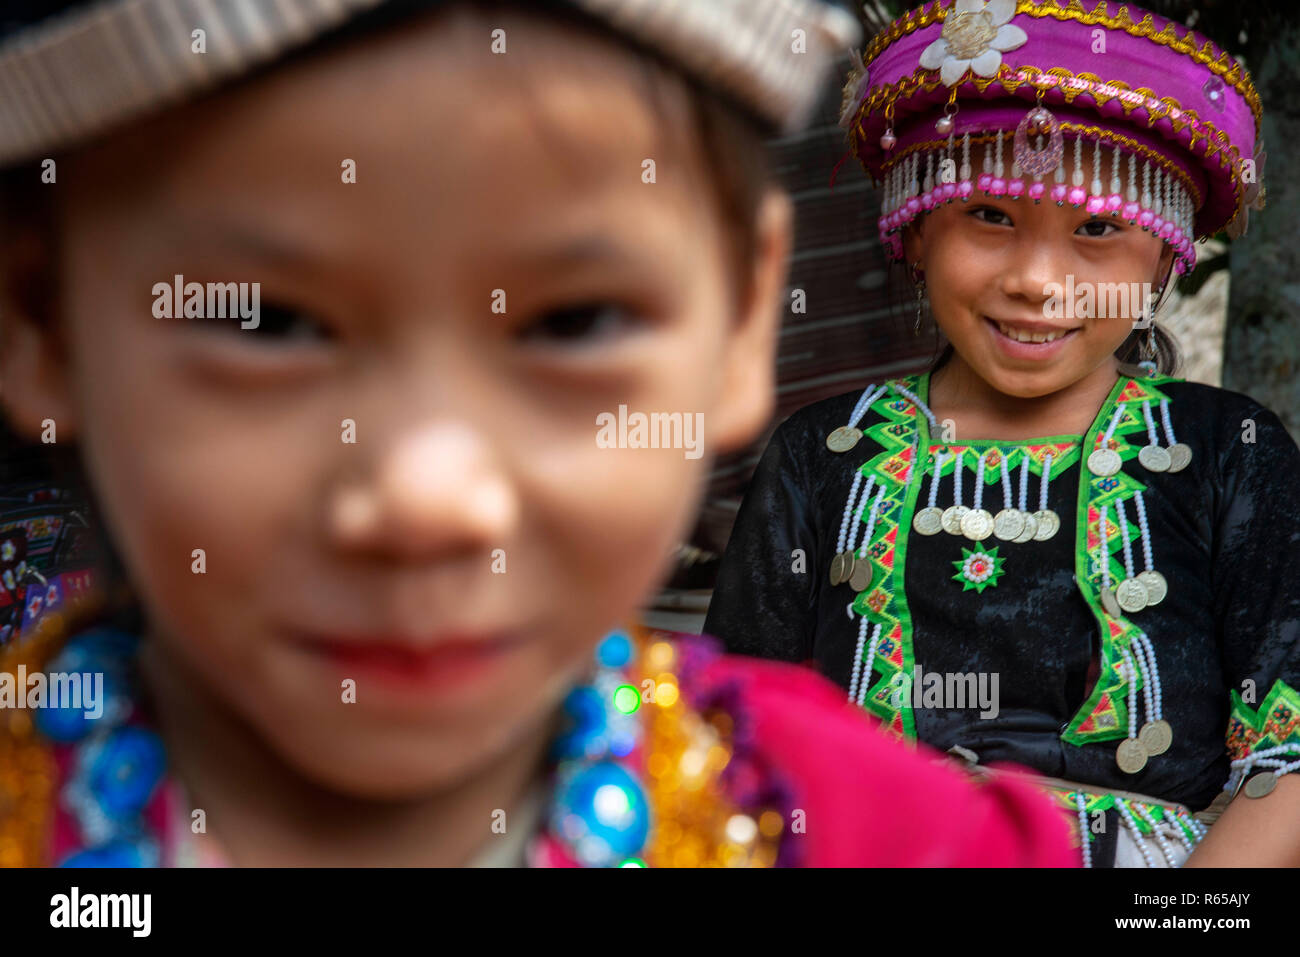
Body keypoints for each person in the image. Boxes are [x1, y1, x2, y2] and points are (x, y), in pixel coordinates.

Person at [0, 0, 1075, 867]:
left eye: (575, 323)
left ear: (743, 323)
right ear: (42, 326)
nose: (428, 496)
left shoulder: (898, 840)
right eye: (266, 323)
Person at [705, 0, 1300, 867]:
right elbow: (729, 739)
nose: (1036, 280)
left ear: (1167, 257)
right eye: (989, 216)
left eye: (1097, 228)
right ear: (914, 228)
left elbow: (1287, 761)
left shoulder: (1228, 452)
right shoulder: (819, 456)